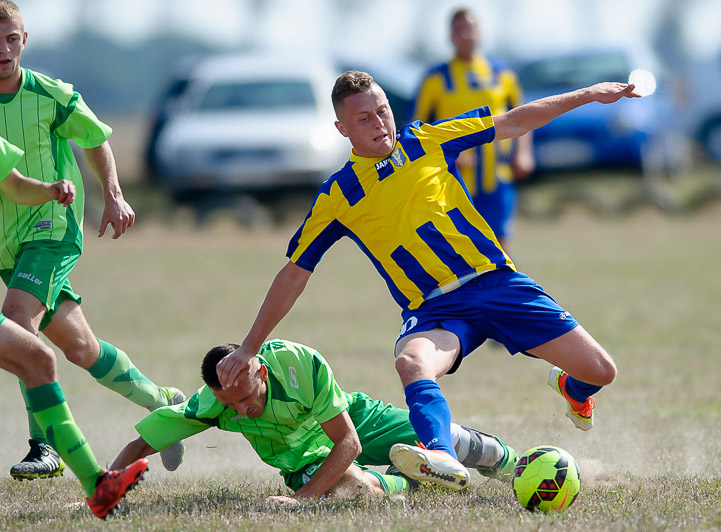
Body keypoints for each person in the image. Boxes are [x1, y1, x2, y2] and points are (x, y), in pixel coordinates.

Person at [216, 69, 636, 490]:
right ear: (342, 129)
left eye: (383, 111)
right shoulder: (337, 196)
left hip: (496, 283)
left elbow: (515, 121)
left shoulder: (427, 139)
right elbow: (293, 274)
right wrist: (250, 346)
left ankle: (572, 388)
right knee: (411, 362)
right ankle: (440, 454)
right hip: (436, 309)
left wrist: (590, 94)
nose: (379, 123)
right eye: (364, 119)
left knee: (602, 371)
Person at [0, 0, 184, 480]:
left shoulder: (51, 95)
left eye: (11, 39)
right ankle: (165, 403)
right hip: (7, 247)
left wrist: (115, 196)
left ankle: (44, 447)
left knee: (17, 322)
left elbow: (96, 137)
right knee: (81, 349)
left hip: (50, 232)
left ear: (25, 40)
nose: (2, 50)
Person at [111, 339, 518, 500]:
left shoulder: (298, 364)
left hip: (352, 420)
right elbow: (144, 444)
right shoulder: (212, 403)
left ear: (262, 373)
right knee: (353, 490)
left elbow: (349, 442)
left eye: (246, 399)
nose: (241, 410)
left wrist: (298, 505)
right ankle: (414, 482)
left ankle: (517, 466)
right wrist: (103, 492)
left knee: (448, 441)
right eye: (229, 405)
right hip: (300, 455)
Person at [0, 136, 149, 520]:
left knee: (40, 358)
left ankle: (98, 487)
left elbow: (14, 184)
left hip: (42, 243)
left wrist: (50, 190)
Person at [413, 8, 534, 249]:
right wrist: (444, 154)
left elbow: (523, 117)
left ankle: (502, 287)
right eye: (459, 31)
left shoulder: (503, 74)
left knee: (499, 243)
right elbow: (417, 129)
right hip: (453, 177)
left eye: (470, 29)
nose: (466, 35)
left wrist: (523, 153)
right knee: (460, 245)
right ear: (450, 37)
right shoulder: (434, 78)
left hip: (497, 174)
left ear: (479, 33)